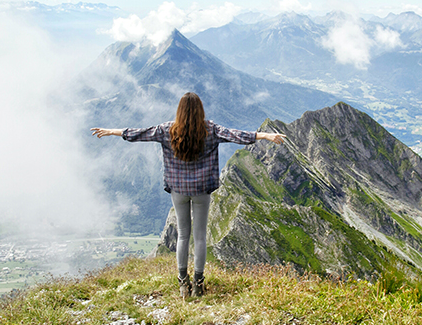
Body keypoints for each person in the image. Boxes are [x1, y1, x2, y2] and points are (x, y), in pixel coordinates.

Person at [91, 91, 286, 298]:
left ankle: (183, 284)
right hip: (202, 190)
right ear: (200, 110)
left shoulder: (167, 130)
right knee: (200, 236)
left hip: (178, 190)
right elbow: (237, 136)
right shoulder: (211, 130)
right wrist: (265, 135)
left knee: (183, 235)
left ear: (180, 111)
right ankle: (199, 283)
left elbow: (140, 134)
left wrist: (112, 131)